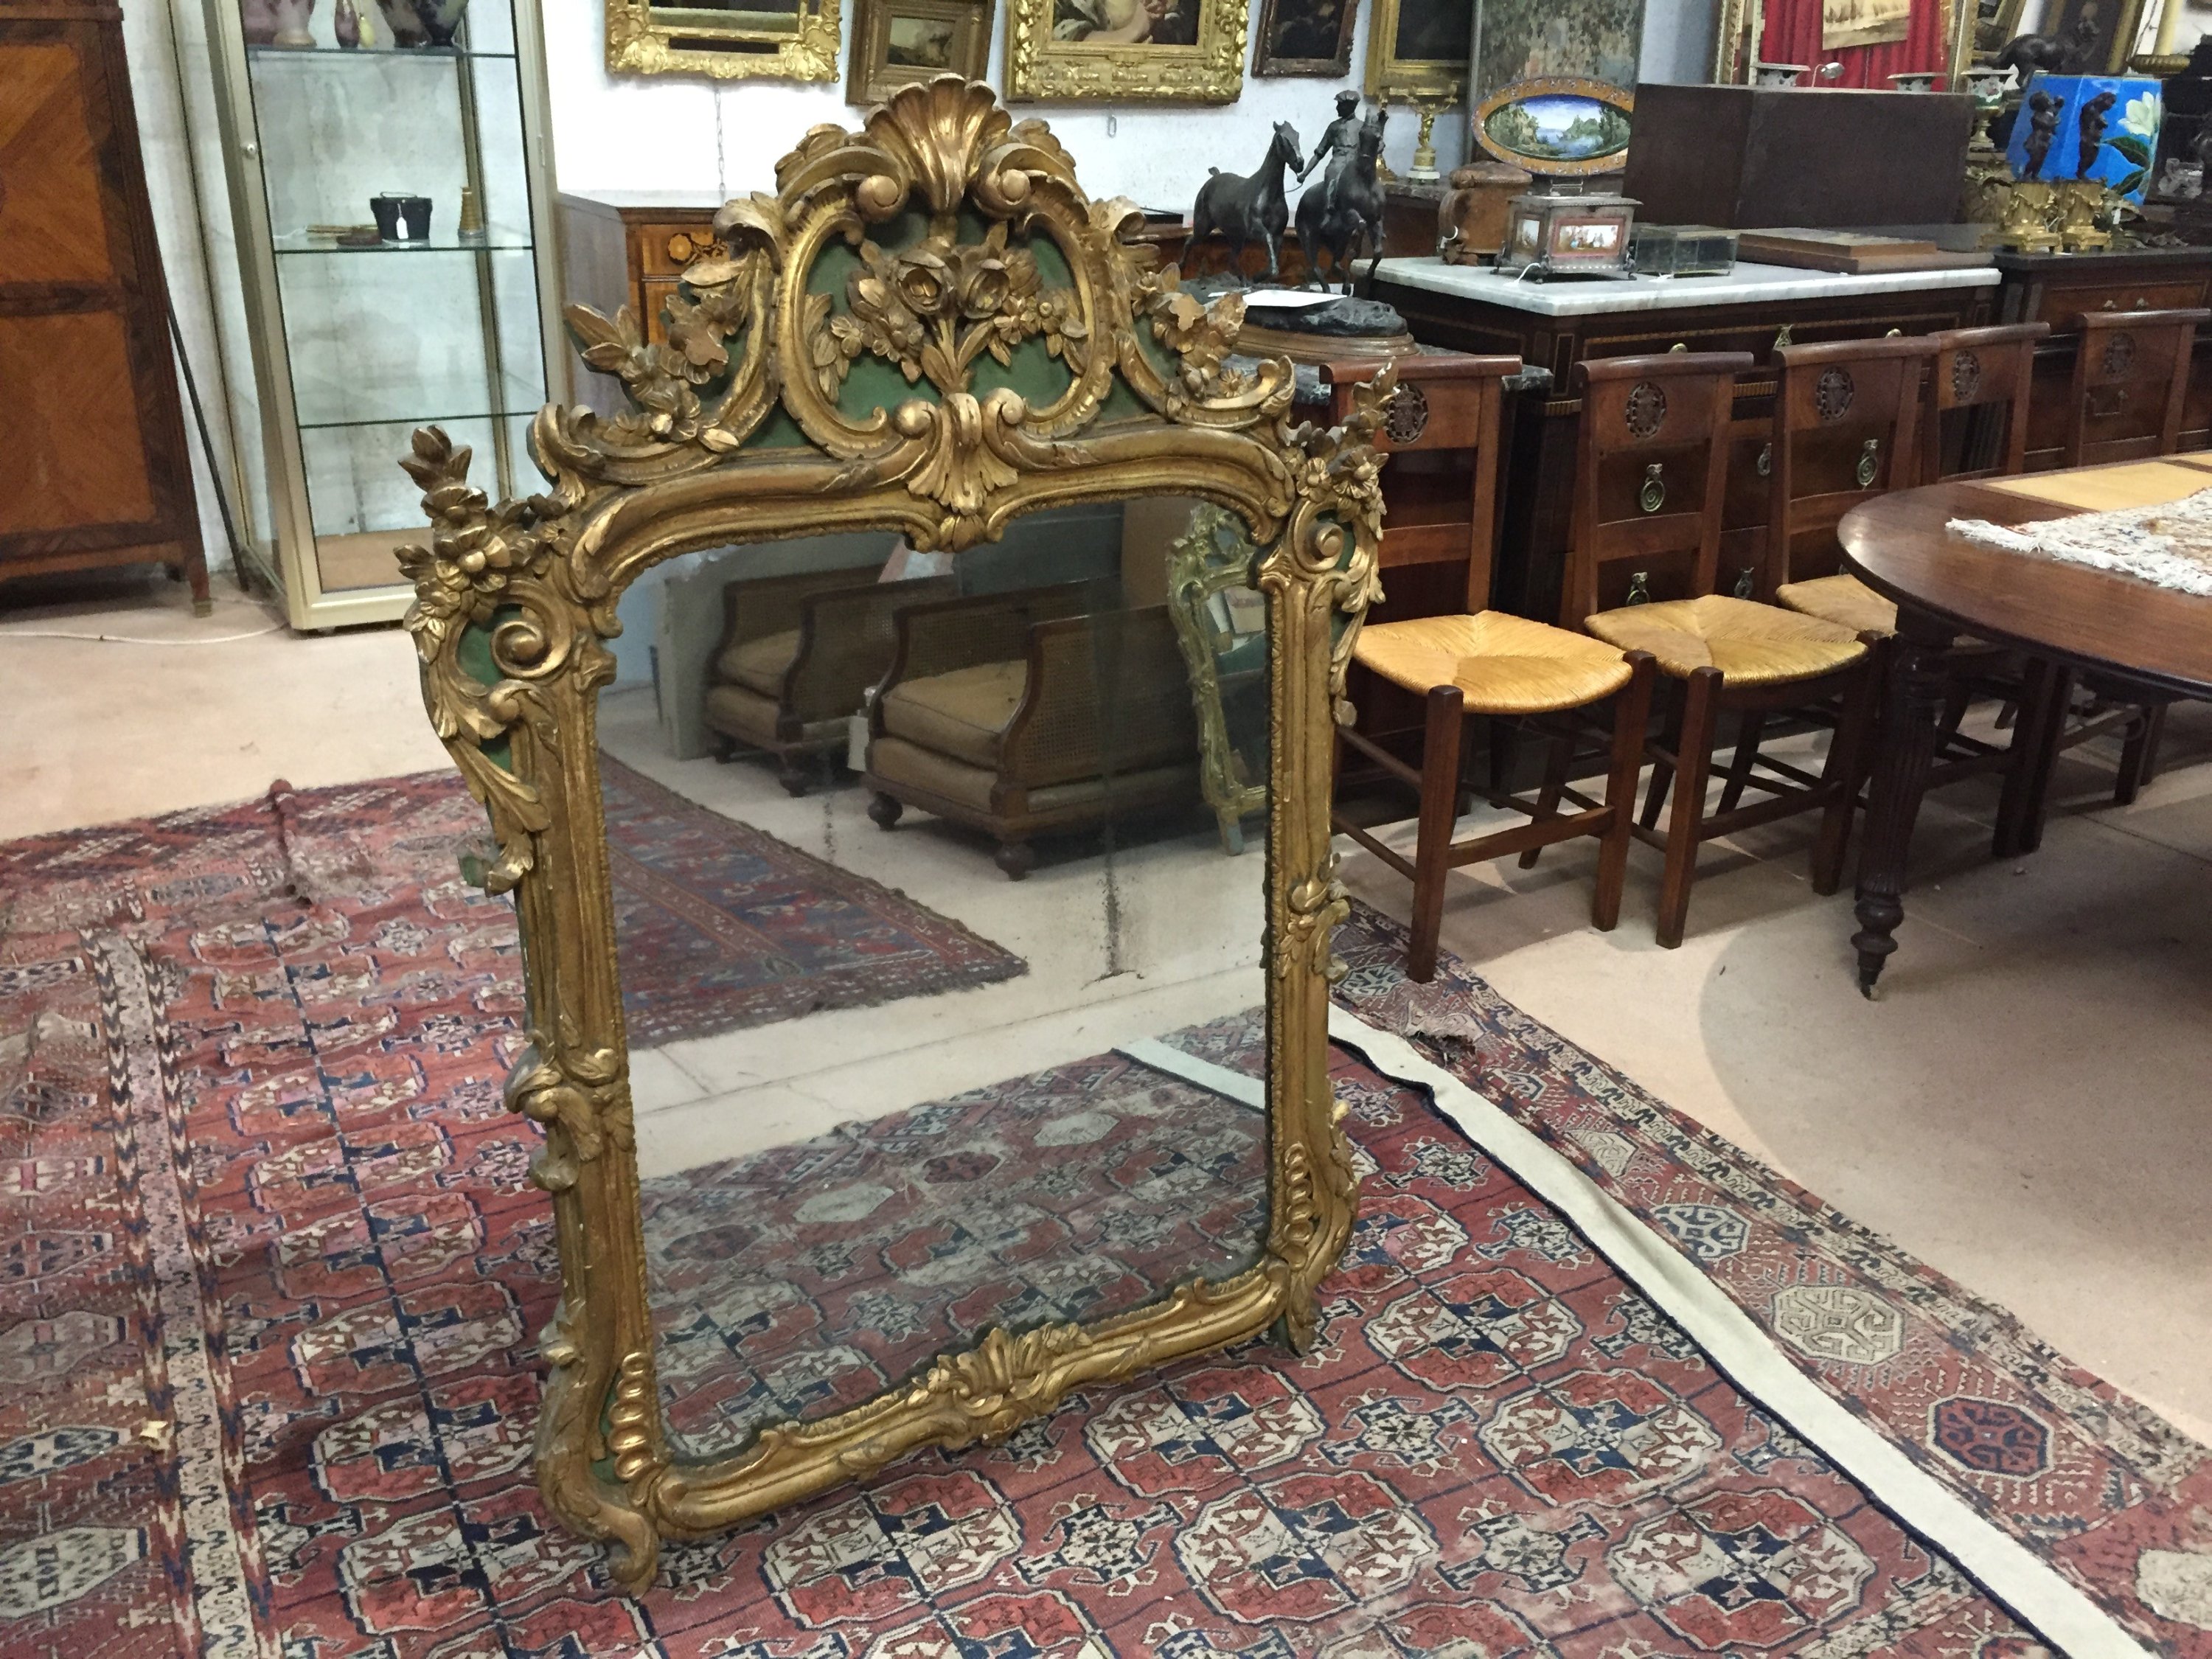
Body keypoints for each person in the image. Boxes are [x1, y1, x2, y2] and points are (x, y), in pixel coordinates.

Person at [1299, 91, 1364, 183]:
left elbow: (1376, 146)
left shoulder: (1363, 127)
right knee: (1331, 180)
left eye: (1340, 105)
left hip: (1356, 167)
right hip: (1336, 168)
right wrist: (1305, 174)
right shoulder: (1334, 127)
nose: (1337, 108)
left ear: (1351, 106)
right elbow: (1319, 153)